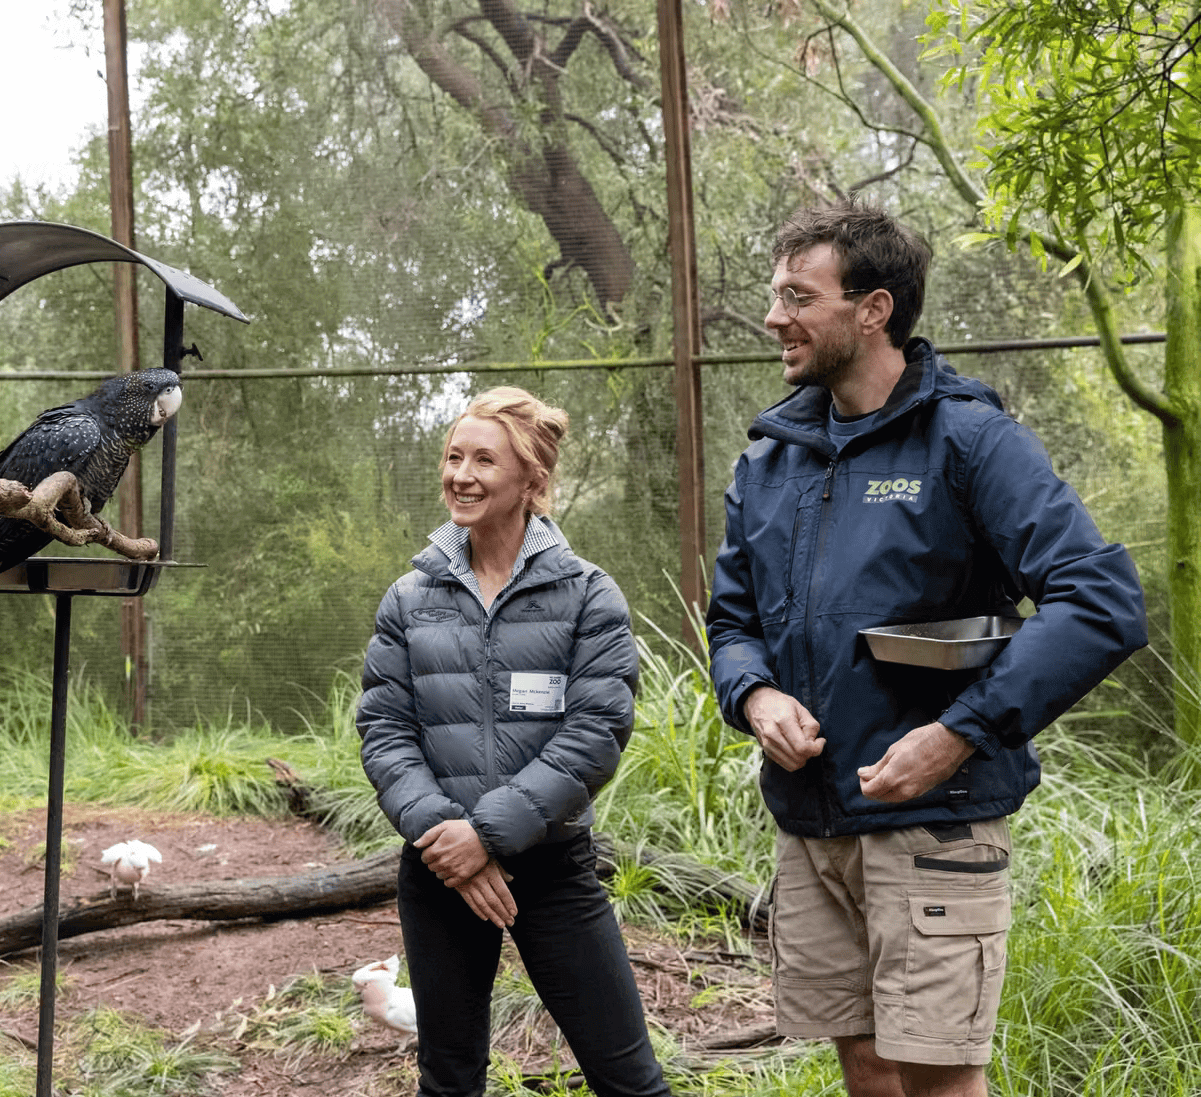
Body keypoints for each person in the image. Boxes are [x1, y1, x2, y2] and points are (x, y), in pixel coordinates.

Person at [706, 203, 1147, 1097]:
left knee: (939, 1078)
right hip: (812, 822)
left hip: (934, 823)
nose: (773, 316)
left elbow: (1099, 600)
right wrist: (754, 695)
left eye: (799, 296)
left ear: (873, 309)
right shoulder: (771, 460)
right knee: (864, 1065)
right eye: (774, 294)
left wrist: (958, 733)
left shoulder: (969, 439)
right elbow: (731, 620)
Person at [358, 387, 673, 1097]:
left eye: (483, 460)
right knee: (448, 1081)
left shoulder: (588, 595)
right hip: (439, 869)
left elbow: (596, 732)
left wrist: (487, 835)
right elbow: (384, 729)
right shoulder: (409, 598)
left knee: (629, 1079)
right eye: (453, 457)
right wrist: (449, 839)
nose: (460, 475)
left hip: (552, 868)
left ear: (532, 481)